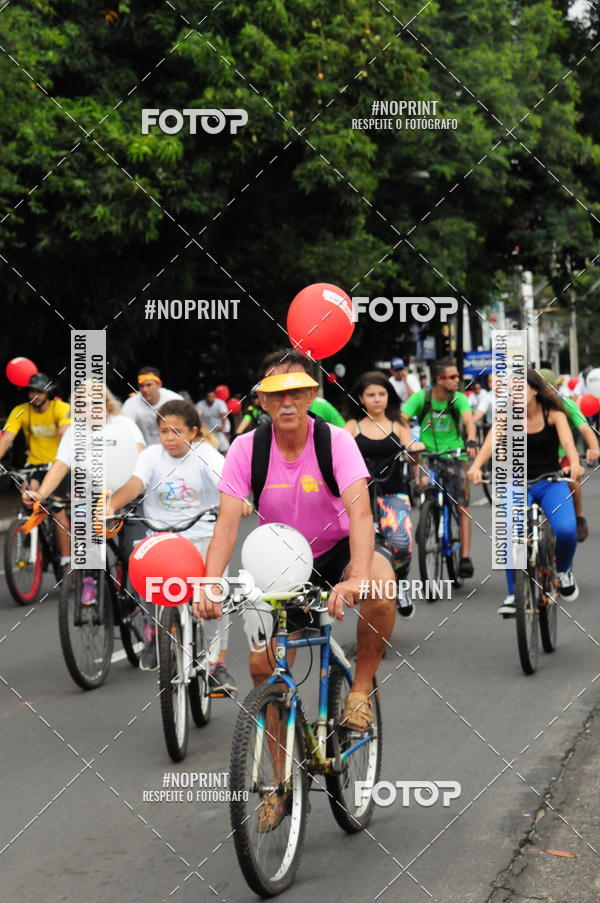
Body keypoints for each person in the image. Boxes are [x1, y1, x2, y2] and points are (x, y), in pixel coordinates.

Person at [194, 349, 396, 755]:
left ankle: (358, 690)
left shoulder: (336, 442)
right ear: (262, 400)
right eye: (277, 395)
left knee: (382, 584)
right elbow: (227, 525)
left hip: (337, 550)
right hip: (281, 561)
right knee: (261, 668)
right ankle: (279, 783)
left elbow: (360, 513)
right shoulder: (246, 449)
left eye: (297, 393)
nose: (287, 403)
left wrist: (356, 576)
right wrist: (210, 582)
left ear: (310, 397)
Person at [107, 400, 241, 683]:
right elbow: (136, 483)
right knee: (147, 579)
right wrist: (112, 505)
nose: (169, 438)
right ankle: (158, 636)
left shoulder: (205, 453)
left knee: (212, 597)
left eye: (176, 431)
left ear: (193, 432)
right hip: (163, 538)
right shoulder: (152, 456)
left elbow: (226, 480)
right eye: (164, 432)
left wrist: (237, 501)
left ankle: (217, 663)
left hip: (203, 536)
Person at [468, 369, 584, 615]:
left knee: (566, 530)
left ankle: (563, 571)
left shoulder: (553, 413)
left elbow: (567, 444)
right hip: (516, 483)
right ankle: (513, 593)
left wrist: (574, 463)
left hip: (551, 481)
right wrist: (476, 467)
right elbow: (490, 443)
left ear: (534, 390)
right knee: (511, 532)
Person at [25, 381, 145, 574]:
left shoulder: (124, 424)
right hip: (92, 493)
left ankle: (131, 594)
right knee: (85, 544)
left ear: (106, 404)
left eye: (95, 403)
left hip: (126, 491)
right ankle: (90, 582)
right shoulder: (75, 431)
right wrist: (39, 493)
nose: (90, 409)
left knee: (131, 550)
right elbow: (60, 466)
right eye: (83, 404)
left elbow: (140, 461)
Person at [345, 371, 424, 618]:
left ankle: (399, 584)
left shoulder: (398, 426)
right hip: (358, 499)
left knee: (402, 545)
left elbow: (413, 452)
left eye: (382, 394)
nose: (377, 399)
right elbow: (336, 457)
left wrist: (415, 452)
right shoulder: (351, 427)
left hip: (393, 494)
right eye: (371, 395)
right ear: (361, 398)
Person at [401, 359, 478, 579]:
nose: (457, 380)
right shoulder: (421, 399)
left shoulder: (459, 399)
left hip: (454, 455)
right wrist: (409, 441)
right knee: (424, 486)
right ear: (439, 379)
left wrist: (471, 440)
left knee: (462, 506)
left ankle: (464, 557)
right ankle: (426, 521)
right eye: (452, 377)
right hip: (428, 455)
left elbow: (469, 421)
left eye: (457, 376)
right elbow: (402, 419)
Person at [1, 373, 72, 567]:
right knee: (28, 500)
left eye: (40, 392)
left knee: (58, 511)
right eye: (32, 391)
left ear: (48, 393)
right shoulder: (20, 411)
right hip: (35, 465)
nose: (35, 395)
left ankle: (67, 560)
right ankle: (37, 539)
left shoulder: (62, 408)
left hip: (60, 466)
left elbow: (65, 432)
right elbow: (6, 438)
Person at [538, 368, 599, 542]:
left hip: (564, 454)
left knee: (572, 479)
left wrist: (594, 448)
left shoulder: (567, 405)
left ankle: (579, 516)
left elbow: (585, 429)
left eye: (551, 388)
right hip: (537, 458)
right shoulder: (528, 407)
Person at [121, 366, 182, 446]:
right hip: (145, 451)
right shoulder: (131, 403)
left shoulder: (174, 399)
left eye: (149, 385)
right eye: (141, 386)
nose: (144, 389)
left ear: (159, 384)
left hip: (172, 448)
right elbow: (123, 429)